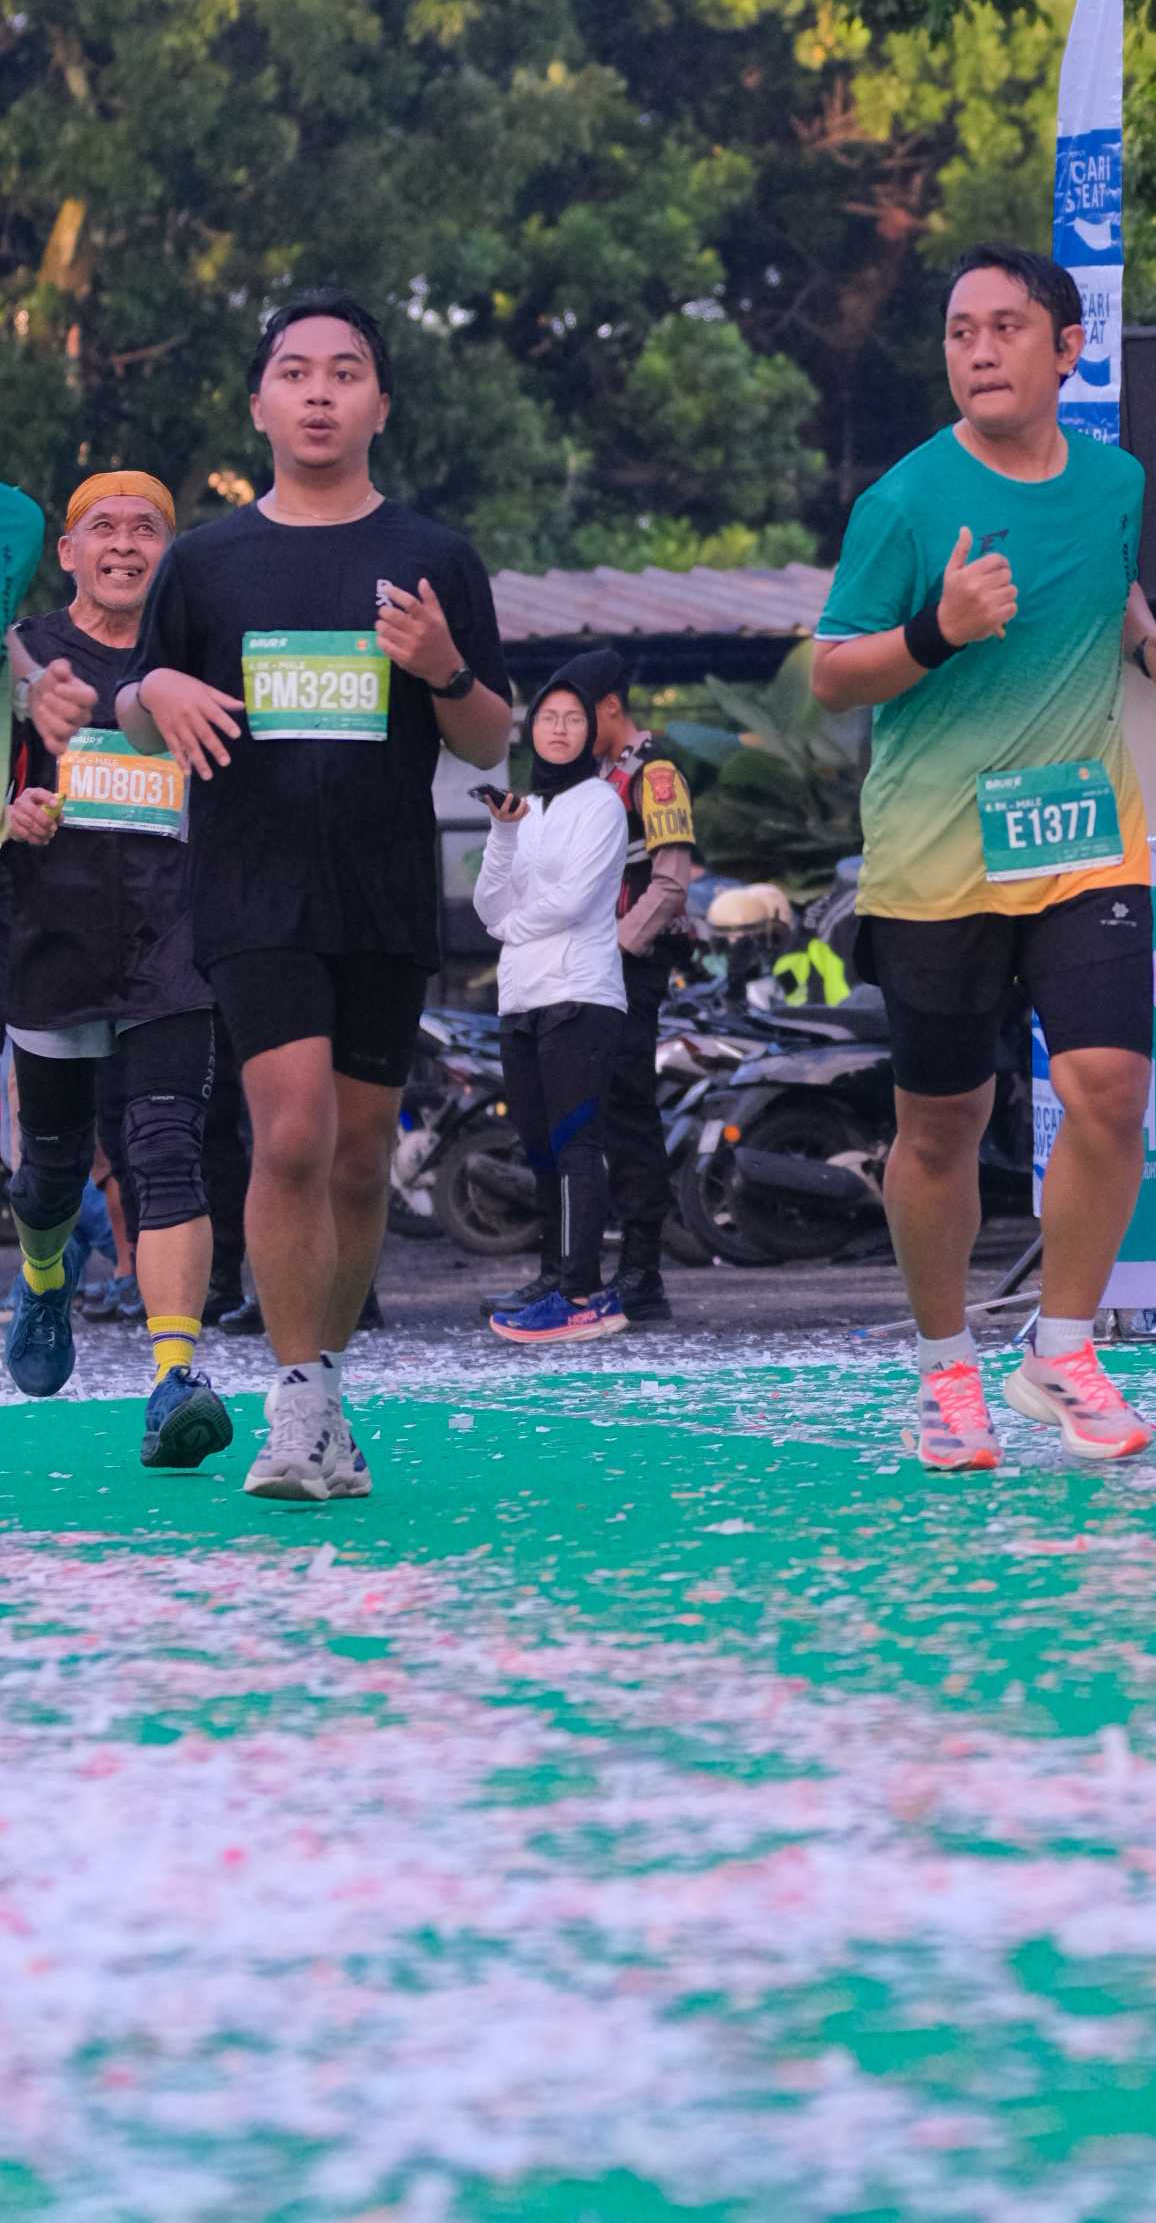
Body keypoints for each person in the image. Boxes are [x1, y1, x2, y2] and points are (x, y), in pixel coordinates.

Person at [44, 295, 515, 1500]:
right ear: (258, 403)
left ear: (380, 405)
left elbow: (487, 737)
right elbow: (139, 701)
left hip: (384, 892)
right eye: (295, 372)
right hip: (251, 891)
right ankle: (294, 1401)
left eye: (344, 373)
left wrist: (442, 667)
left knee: (358, 1156)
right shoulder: (205, 562)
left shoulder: (433, 558)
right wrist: (151, 692)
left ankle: (328, 1388)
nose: (318, 393)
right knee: (292, 1130)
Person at [811, 242, 1156, 1473]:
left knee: (1110, 1092)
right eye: (958, 332)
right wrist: (937, 629)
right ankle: (945, 1370)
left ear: (1067, 348)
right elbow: (832, 673)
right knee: (942, 1126)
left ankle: (1064, 1351)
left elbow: (1106, 583)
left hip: (1086, 837)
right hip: (937, 856)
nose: (977, 351)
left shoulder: (1114, 483)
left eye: (1004, 328)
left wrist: (1149, 646)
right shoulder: (904, 503)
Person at [3, 475, 240, 1467]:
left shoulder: (196, 657)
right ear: (66, 552)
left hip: (171, 946)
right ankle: (44, 1277)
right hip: (46, 943)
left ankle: (173, 1376)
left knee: (167, 1149)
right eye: (102, 527)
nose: (126, 544)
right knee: (51, 1173)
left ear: (169, 552)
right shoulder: (21, 656)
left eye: (148, 528)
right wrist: (9, 813)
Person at [476, 668, 631, 1345]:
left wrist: (512, 925)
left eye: (573, 718)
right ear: (531, 730)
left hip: (580, 994)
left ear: (591, 731)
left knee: (576, 1143)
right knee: (539, 1145)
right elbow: (487, 903)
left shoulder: (601, 803)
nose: (560, 729)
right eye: (548, 718)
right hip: (522, 998)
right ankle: (552, 1275)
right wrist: (503, 833)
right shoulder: (525, 811)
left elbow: (574, 901)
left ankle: (581, 1291)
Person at [580, 651, 698, 1323]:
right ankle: (589, 1272)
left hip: (630, 962)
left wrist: (615, 947)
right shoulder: (598, 780)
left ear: (610, 706)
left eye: (577, 714)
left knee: (627, 1107)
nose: (566, 728)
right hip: (595, 964)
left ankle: (641, 1273)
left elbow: (671, 882)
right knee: (596, 1112)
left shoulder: (655, 775)